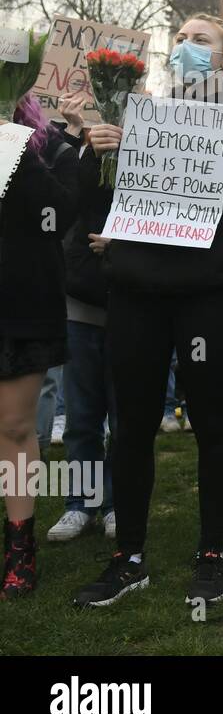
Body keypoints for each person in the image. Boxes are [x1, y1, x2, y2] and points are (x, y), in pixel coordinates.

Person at [72, 14, 223, 608]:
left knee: (214, 423)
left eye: (201, 40)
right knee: (133, 425)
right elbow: (95, 200)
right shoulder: (136, 115)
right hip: (138, 293)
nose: (185, 47)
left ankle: (211, 554)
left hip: (209, 298)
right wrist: (99, 155)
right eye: (182, 39)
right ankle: (129, 557)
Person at [0, 90, 79, 598]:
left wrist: (12, 147)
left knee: (13, 426)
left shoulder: (36, 138)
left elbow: (57, 211)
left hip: (21, 299)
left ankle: (19, 548)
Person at [46, 91, 118, 543]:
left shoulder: (152, 137)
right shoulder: (78, 144)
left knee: (124, 415)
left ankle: (116, 503)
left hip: (132, 300)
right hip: (82, 297)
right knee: (82, 416)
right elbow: (64, 194)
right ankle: (81, 503)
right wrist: (75, 134)